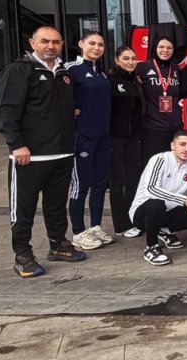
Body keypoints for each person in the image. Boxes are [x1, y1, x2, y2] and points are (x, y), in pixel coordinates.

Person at [0, 25, 87, 277]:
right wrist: (16, 144)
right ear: (33, 43)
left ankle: (58, 244)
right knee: (23, 208)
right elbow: (3, 112)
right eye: (45, 41)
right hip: (29, 156)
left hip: (62, 153)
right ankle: (23, 254)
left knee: (56, 204)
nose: (50, 46)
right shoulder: (19, 70)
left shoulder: (63, 73)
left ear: (62, 44)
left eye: (55, 42)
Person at [129, 130, 187, 266]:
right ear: (173, 145)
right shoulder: (160, 159)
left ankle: (164, 231)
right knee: (157, 204)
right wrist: (185, 200)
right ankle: (151, 247)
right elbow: (151, 189)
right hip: (143, 213)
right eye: (182, 144)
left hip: (169, 213)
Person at [65, 32, 114, 251]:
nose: (96, 47)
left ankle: (95, 226)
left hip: (102, 135)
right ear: (81, 44)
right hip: (82, 135)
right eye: (92, 43)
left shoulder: (101, 72)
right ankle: (78, 232)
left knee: (99, 184)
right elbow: (59, 95)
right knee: (80, 185)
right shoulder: (71, 69)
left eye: (100, 44)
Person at [108, 45, 145, 238]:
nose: (130, 62)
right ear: (117, 60)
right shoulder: (110, 80)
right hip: (114, 137)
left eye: (133, 58)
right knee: (117, 181)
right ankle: (121, 225)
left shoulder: (136, 81)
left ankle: (133, 218)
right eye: (126, 58)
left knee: (133, 180)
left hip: (133, 138)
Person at [136, 36, 184, 165]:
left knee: (173, 165)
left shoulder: (176, 70)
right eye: (161, 47)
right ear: (155, 48)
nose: (165, 50)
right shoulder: (142, 67)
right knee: (153, 165)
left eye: (169, 48)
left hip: (175, 128)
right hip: (152, 127)